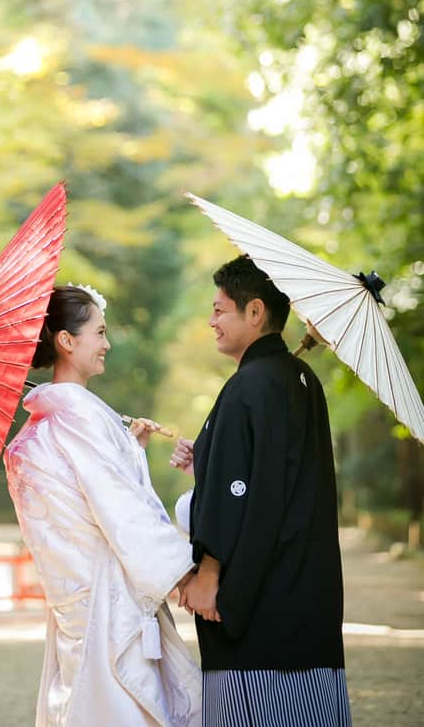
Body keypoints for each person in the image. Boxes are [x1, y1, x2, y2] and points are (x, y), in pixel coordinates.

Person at [4, 284, 202, 727]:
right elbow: (122, 512)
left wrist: (127, 450)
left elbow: (84, 502)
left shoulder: (36, 431)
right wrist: (186, 573)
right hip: (109, 604)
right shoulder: (81, 416)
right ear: (66, 340)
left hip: (72, 600)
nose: (107, 343)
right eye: (99, 331)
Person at [171, 255, 351, 726]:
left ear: (255, 312)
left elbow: (240, 495)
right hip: (305, 588)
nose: (211, 321)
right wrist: (207, 459)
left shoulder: (249, 386)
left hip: (261, 596)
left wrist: (209, 572)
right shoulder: (300, 379)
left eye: (219, 309)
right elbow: (266, 476)